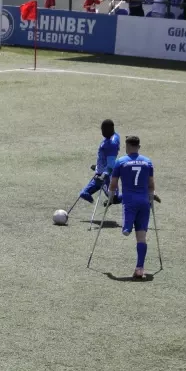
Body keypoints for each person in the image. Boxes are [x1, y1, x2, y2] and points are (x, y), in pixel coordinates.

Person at [107, 135, 157, 281]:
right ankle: (140, 269)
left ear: (127, 146)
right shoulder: (147, 162)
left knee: (127, 224)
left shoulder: (121, 162)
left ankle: (127, 227)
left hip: (129, 201)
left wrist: (111, 195)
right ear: (138, 147)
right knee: (141, 236)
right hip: (144, 201)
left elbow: (113, 183)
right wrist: (151, 196)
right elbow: (151, 184)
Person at [79, 119, 120, 205]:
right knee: (84, 193)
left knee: (114, 199)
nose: (102, 132)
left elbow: (111, 164)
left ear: (110, 129)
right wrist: (98, 166)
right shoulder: (113, 136)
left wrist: (104, 174)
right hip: (100, 172)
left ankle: (135, 198)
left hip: (105, 176)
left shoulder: (111, 144)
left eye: (104, 130)